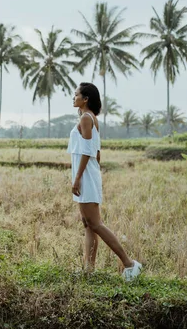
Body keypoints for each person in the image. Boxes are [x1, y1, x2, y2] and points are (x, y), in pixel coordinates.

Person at [67, 82, 142, 281]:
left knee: (95, 224)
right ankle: (88, 270)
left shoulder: (85, 118)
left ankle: (129, 264)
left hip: (85, 177)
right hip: (89, 175)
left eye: (76, 95)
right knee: (88, 224)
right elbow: (97, 153)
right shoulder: (91, 118)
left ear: (85, 99)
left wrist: (78, 178)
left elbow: (87, 151)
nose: (73, 97)